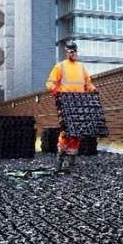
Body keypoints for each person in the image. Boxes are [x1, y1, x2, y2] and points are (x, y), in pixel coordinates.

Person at [46, 40, 96, 171]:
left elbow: (87, 83)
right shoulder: (60, 66)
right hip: (65, 103)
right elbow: (50, 83)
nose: (72, 53)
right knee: (66, 132)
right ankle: (60, 160)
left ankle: (72, 162)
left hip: (78, 103)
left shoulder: (81, 67)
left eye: (73, 51)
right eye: (70, 51)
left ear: (76, 51)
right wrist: (56, 91)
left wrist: (93, 89)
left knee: (76, 132)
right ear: (66, 52)